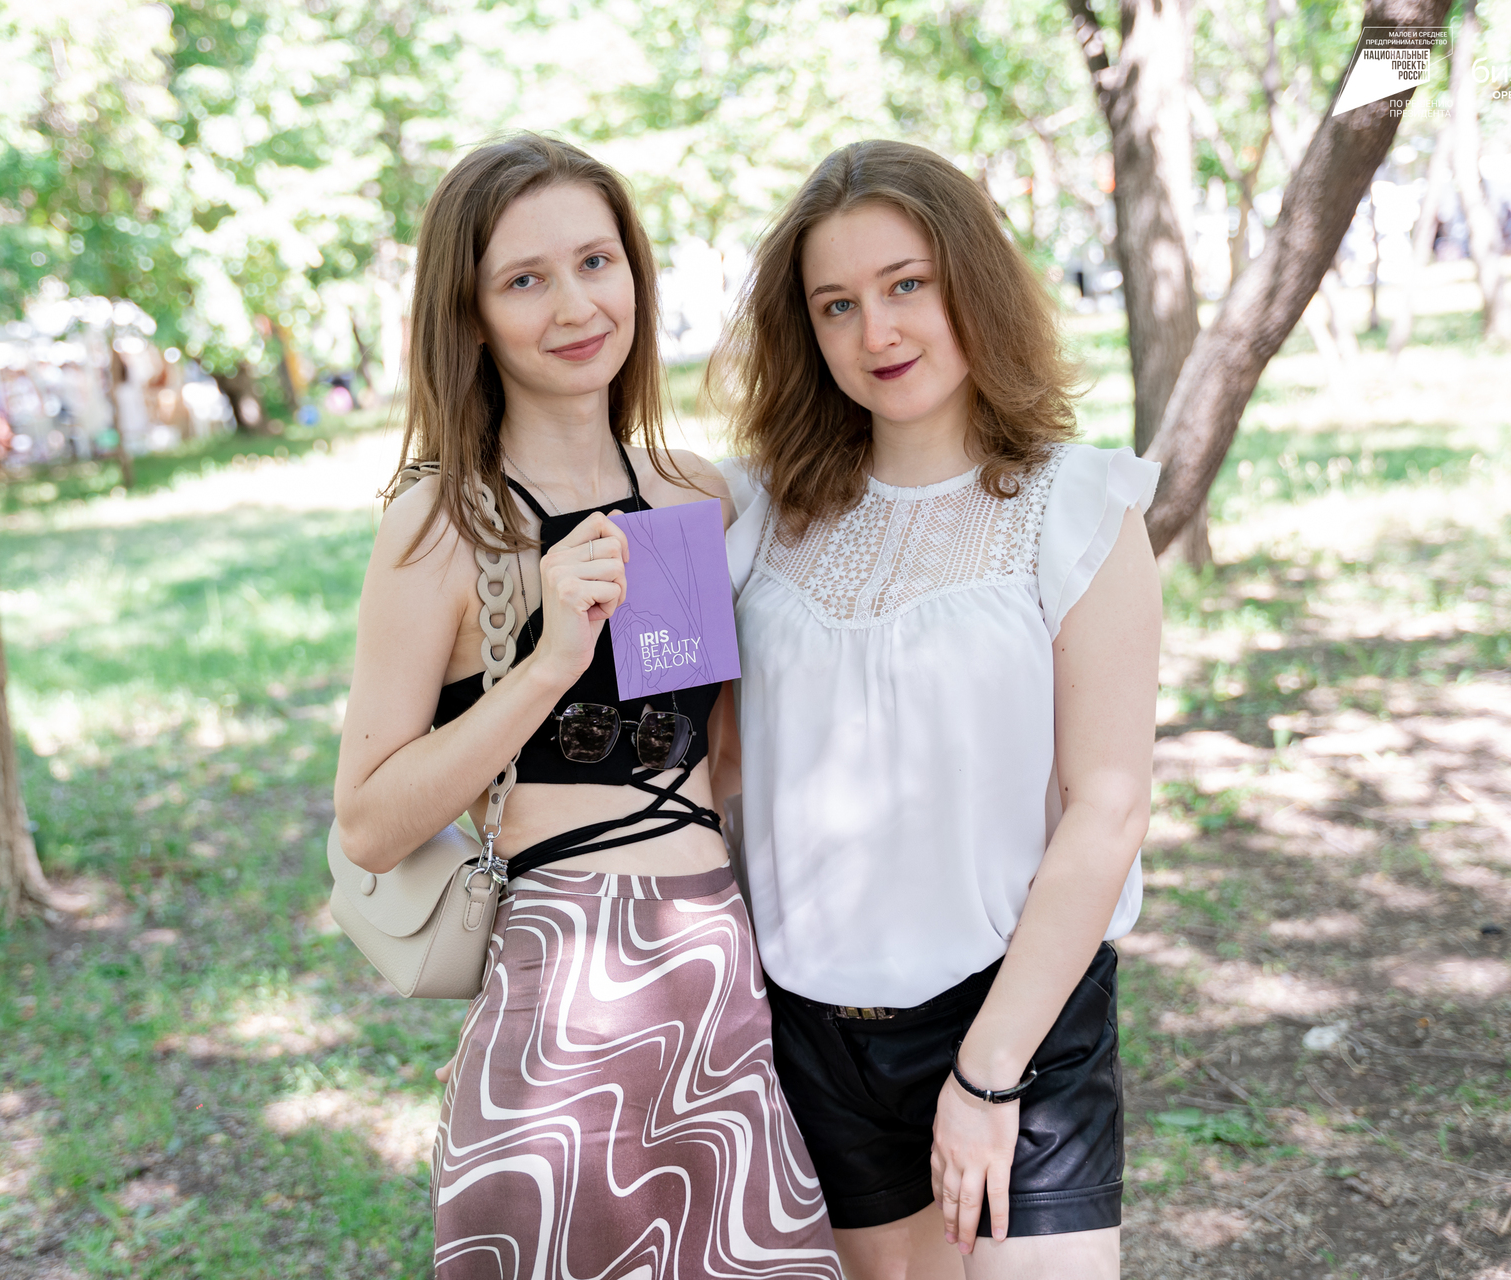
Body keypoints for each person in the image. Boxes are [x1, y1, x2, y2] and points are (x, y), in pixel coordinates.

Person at [332, 133, 841, 1279]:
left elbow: (714, 762)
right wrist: (550, 660)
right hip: (564, 997)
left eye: (596, 262)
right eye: (525, 278)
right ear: (471, 316)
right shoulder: (440, 527)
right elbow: (368, 822)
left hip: (718, 975)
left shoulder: (691, 497)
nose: (574, 305)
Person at [714, 139, 1161, 1279]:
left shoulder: (1075, 504)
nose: (878, 332)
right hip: (814, 1032)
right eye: (837, 304)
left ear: (971, 279)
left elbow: (1108, 808)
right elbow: (711, 768)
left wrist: (986, 1075)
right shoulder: (755, 514)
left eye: (906, 283)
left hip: (1018, 1016)